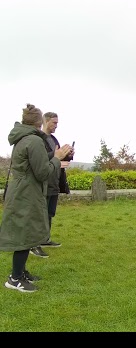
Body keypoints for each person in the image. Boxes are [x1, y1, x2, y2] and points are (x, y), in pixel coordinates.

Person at [0, 104, 72, 292]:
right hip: (27, 193)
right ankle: (15, 279)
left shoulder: (23, 138)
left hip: (23, 190)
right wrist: (57, 158)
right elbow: (42, 172)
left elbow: (35, 164)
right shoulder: (33, 140)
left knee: (27, 231)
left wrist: (54, 155)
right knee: (25, 234)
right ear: (40, 122)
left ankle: (21, 272)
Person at [31, 111, 74, 259]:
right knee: (39, 215)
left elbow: (59, 157)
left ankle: (45, 240)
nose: (56, 125)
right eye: (54, 122)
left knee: (49, 213)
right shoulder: (38, 139)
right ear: (46, 121)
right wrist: (56, 156)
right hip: (43, 182)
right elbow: (40, 160)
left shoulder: (54, 139)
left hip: (55, 182)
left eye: (57, 123)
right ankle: (33, 245)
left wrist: (68, 154)